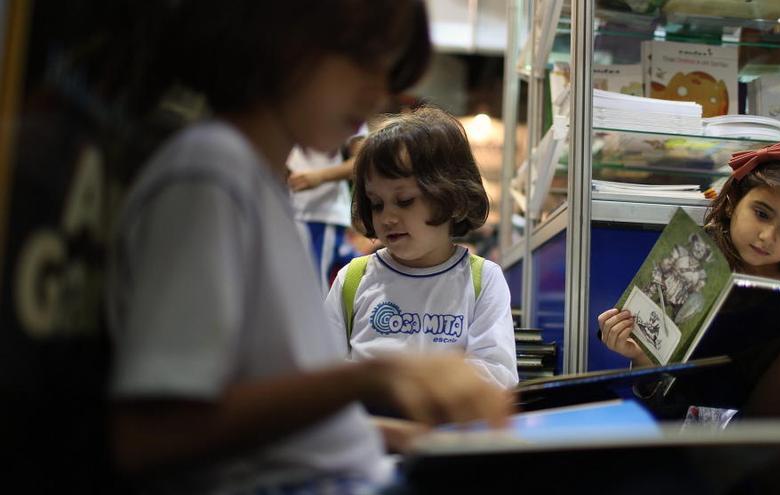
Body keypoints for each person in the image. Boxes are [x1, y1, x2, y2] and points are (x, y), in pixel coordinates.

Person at [106, 2, 512, 493]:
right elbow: (151, 433)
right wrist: (376, 378)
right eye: (367, 62)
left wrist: (403, 436)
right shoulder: (210, 175)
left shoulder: (261, 189)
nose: (378, 92)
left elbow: (288, 424)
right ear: (289, 39)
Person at [597, 137, 780, 486]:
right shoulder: (688, 268)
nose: (767, 236)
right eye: (761, 212)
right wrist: (642, 359)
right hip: (705, 436)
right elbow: (660, 411)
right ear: (732, 203)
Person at [324, 106, 519, 389]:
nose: (388, 218)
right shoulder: (353, 279)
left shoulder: (483, 280)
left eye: (404, 201)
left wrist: (419, 386)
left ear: (449, 197)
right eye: (377, 204)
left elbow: (498, 375)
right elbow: (323, 374)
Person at [287, 127, 366, 294]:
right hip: (288, 211)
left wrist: (320, 177)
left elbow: (363, 159)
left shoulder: (345, 103)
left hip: (320, 213)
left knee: (314, 289)